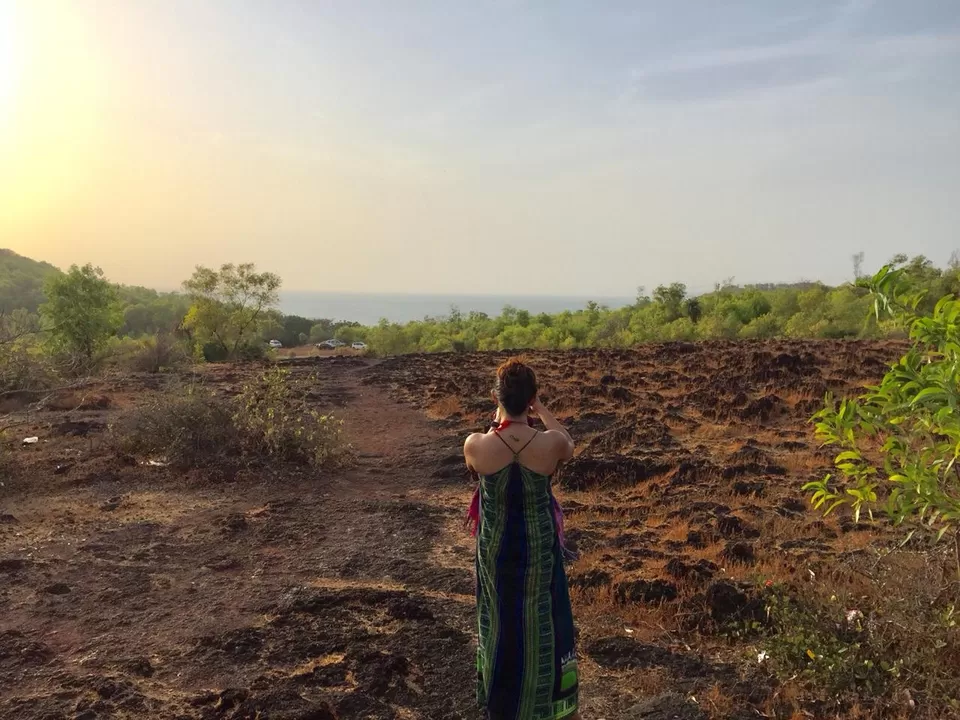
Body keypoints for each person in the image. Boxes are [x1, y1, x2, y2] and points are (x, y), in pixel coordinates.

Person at [464, 358, 580, 720]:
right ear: (531, 398)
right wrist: (542, 410)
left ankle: (501, 703)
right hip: (539, 553)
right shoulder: (550, 445)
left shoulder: (476, 445)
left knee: (498, 622)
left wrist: (502, 419)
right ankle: (547, 705)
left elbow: (481, 465)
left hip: (496, 554)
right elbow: (569, 445)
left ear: (495, 396)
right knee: (544, 622)